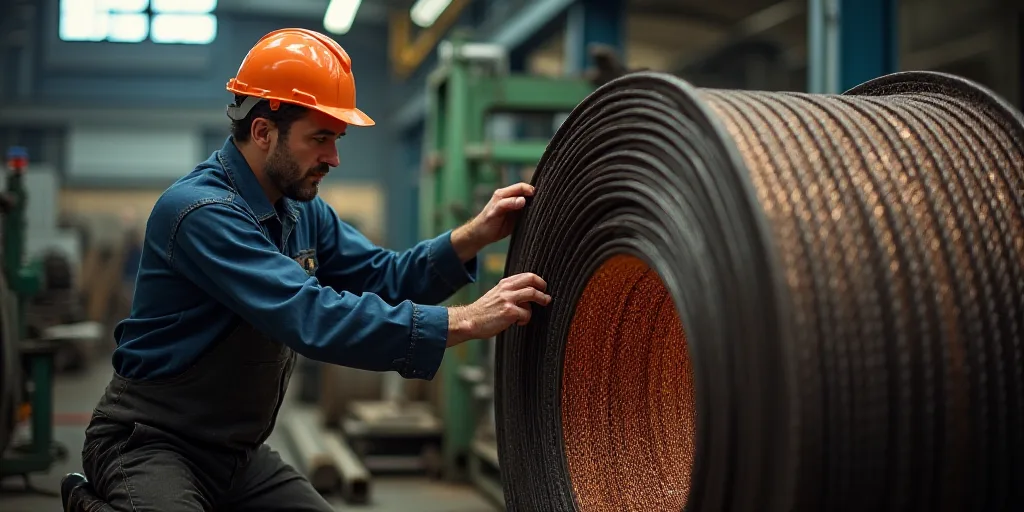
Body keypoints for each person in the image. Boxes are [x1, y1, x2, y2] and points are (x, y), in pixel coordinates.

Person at [62, 28, 551, 512]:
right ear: (262, 132)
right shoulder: (199, 213)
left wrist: (475, 235)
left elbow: (384, 275)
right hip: (149, 444)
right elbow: (309, 314)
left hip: (234, 455)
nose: (333, 158)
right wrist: (467, 319)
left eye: (335, 139)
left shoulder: (300, 209)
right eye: (320, 139)